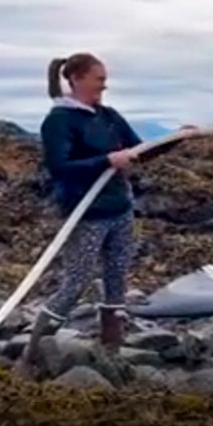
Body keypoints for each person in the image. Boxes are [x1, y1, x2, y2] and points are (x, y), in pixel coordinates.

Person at [28, 52, 182, 353]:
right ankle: (32, 352)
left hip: (120, 208)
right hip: (86, 212)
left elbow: (141, 150)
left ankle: (111, 346)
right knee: (77, 281)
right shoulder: (59, 121)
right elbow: (59, 167)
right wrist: (106, 160)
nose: (104, 86)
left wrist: (177, 138)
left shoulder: (108, 116)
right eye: (99, 80)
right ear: (76, 79)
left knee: (117, 273)